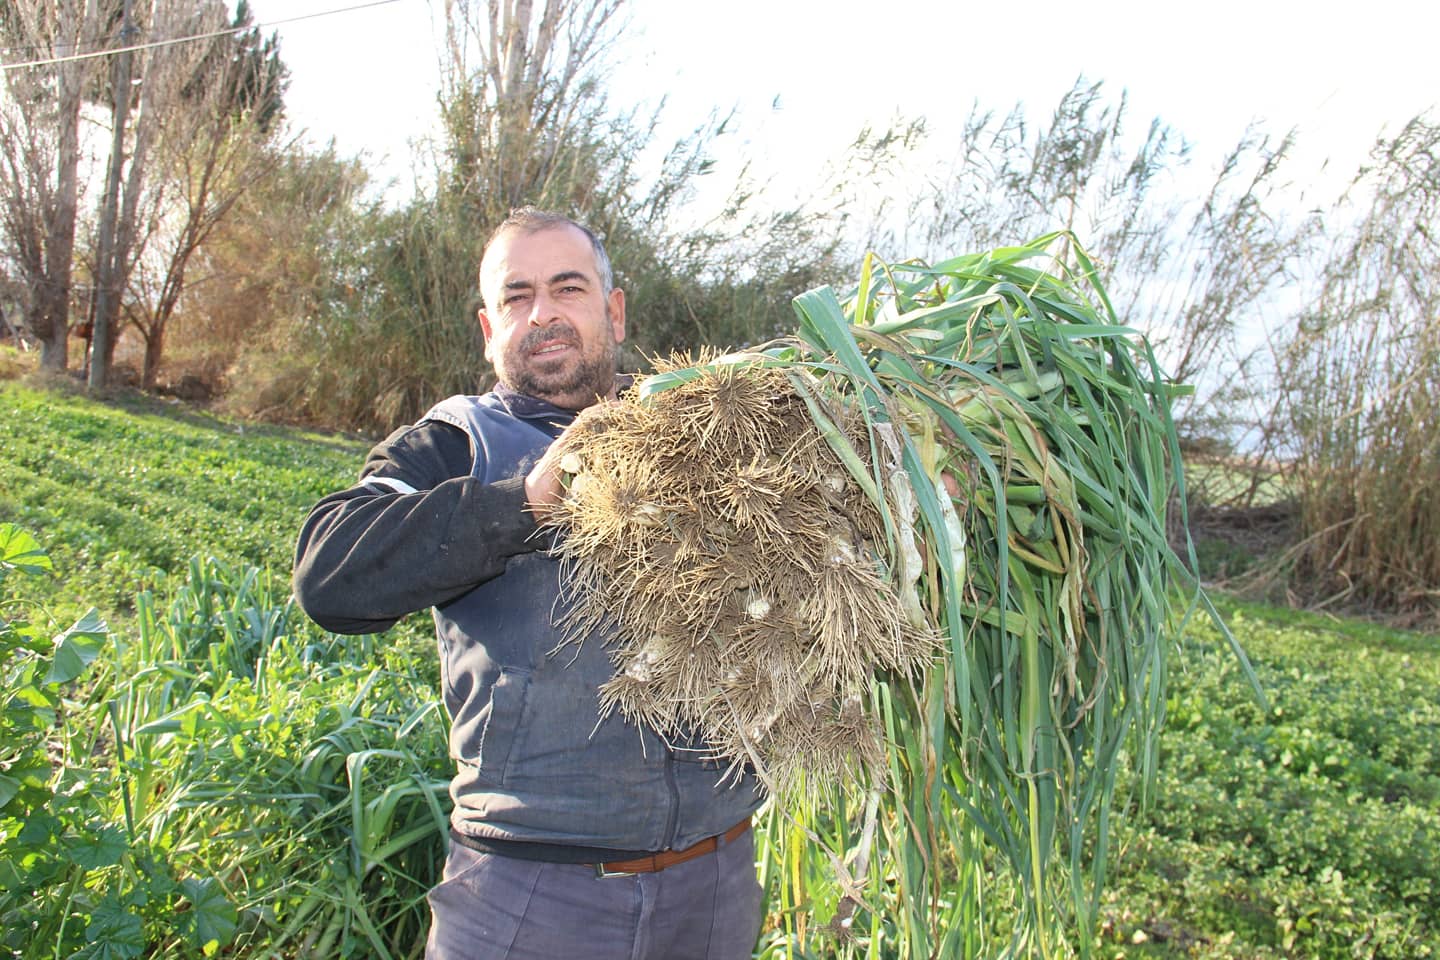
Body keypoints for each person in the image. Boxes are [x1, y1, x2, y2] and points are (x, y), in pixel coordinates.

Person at [293, 208, 765, 959]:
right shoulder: (455, 441)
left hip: (714, 887)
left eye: (567, 288)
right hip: (530, 896)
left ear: (613, 311)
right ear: (489, 330)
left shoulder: (702, 427)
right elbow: (329, 572)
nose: (542, 313)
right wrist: (525, 503)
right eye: (517, 297)